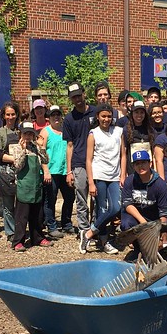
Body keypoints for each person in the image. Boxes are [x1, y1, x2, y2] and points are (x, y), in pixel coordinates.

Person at [81, 103, 125, 254]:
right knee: (101, 209)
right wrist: (91, 182)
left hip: (114, 176)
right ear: (98, 117)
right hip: (99, 175)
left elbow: (123, 155)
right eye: (103, 116)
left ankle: (89, 233)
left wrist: (123, 174)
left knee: (116, 207)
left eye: (108, 116)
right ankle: (104, 242)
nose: (106, 119)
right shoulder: (93, 133)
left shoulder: (119, 131)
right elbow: (88, 159)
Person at [120, 149, 167, 257]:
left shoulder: (160, 184)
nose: (140, 166)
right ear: (133, 166)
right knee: (126, 224)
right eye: (137, 164)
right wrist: (143, 222)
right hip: (137, 218)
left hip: (154, 219)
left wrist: (159, 232)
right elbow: (127, 204)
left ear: (150, 163)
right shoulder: (130, 181)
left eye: (143, 162)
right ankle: (138, 249)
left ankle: (158, 247)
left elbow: (165, 212)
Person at [10, 122, 52, 252]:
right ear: (21, 134)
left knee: (37, 215)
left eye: (30, 133)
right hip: (24, 186)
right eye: (25, 133)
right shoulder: (16, 148)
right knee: (21, 216)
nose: (28, 136)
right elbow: (18, 165)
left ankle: (38, 238)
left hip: (36, 185)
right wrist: (23, 150)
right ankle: (18, 241)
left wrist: (41, 147)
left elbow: (45, 160)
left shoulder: (36, 148)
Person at [63, 82, 96, 235]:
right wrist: (69, 171)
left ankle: (96, 228)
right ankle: (84, 229)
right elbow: (69, 145)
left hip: (97, 161)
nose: (77, 99)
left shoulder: (96, 113)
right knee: (81, 199)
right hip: (78, 162)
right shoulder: (69, 119)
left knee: (97, 198)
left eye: (78, 95)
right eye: (73, 97)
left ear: (84, 93)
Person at [38, 105, 75, 239]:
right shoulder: (45, 131)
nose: (56, 117)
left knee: (70, 197)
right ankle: (51, 225)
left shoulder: (66, 130)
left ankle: (66, 223)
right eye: (53, 115)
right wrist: (45, 169)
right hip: (51, 171)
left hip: (65, 170)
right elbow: (41, 151)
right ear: (49, 117)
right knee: (50, 199)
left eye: (58, 114)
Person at [0, 101, 21, 245]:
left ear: (17, 115)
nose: (10, 117)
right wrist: (14, 159)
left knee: (22, 203)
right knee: (8, 204)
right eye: (7, 114)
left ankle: (20, 229)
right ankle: (10, 232)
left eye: (13, 114)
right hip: (5, 171)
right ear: (3, 116)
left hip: (22, 171)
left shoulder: (21, 131)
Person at [122, 100, 154, 177]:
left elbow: (153, 152)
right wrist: (123, 173)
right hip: (132, 170)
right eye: (136, 112)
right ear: (132, 114)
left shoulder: (150, 129)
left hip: (148, 170)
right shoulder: (126, 130)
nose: (139, 115)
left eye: (142, 112)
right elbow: (124, 153)